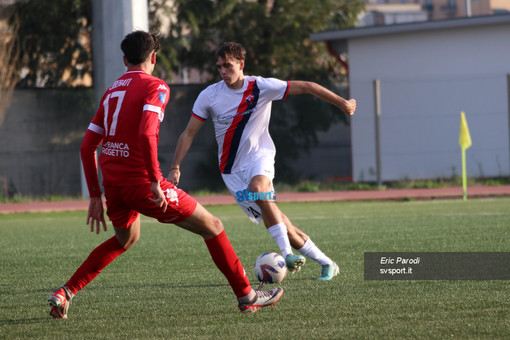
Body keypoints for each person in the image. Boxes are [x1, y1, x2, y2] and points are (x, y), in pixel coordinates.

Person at [48, 32, 283, 319]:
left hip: (113, 185)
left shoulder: (111, 91)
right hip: (142, 183)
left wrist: (96, 195)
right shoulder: (156, 86)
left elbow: (87, 146)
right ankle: (247, 296)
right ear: (154, 58)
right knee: (213, 226)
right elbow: (147, 133)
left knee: (126, 239)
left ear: (124, 59)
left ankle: (65, 292)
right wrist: (154, 179)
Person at [168, 42, 356, 280]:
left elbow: (308, 86)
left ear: (241, 64)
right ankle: (327, 263)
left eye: (228, 65)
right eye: (219, 67)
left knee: (258, 190)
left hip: (261, 157)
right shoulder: (209, 96)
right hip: (232, 173)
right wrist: (175, 166)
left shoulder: (260, 86)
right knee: (282, 223)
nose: (223, 71)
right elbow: (188, 133)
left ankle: (286, 254)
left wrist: (343, 103)